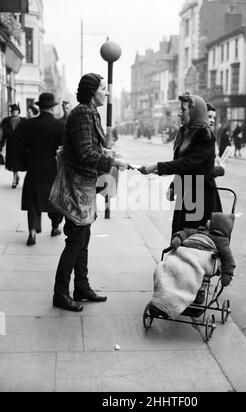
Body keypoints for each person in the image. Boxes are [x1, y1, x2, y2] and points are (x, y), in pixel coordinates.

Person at [53, 73, 133, 313]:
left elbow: (90, 147)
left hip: (84, 185)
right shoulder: (83, 113)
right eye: (103, 89)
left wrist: (108, 152)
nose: (106, 93)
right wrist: (112, 161)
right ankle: (60, 293)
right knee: (76, 239)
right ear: (92, 91)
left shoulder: (88, 112)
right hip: (77, 185)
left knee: (83, 238)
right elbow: (84, 154)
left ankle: (81, 287)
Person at [139, 93, 222, 237]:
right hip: (186, 193)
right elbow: (179, 166)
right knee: (179, 235)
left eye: (183, 110)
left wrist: (156, 166)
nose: (180, 113)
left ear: (194, 112)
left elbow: (187, 163)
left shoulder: (205, 136)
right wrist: (173, 186)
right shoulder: (184, 132)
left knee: (194, 240)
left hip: (201, 197)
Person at [149, 212, 236, 320]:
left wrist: (227, 273)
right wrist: (178, 238)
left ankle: (171, 305)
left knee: (187, 274)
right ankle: (161, 301)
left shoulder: (222, 242)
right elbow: (185, 233)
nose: (207, 221)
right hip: (184, 253)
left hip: (201, 257)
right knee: (168, 267)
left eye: (211, 220)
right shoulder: (199, 231)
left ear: (217, 225)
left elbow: (228, 259)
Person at [17, 93, 64, 246]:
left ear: (39, 107)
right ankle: (55, 227)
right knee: (55, 200)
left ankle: (32, 230)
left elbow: (19, 147)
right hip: (52, 169)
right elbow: (63, 150)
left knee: (33, 201)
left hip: (34, 168)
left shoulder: (27, 124)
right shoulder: (59, 126)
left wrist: (26, 163)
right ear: (52, 107)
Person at [0, 104, 26, 188]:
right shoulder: (6, 121)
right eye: (13, 110)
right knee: (13, 163)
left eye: (16, 110)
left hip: (20, 145)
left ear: (19, 111)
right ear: (11, 112)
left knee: (17, 163)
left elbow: (26, 134)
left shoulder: (23, 121)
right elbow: (3, 134)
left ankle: (15, 178)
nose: (14, 112)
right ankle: (15, 178)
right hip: (11, 145)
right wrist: (1, 145)